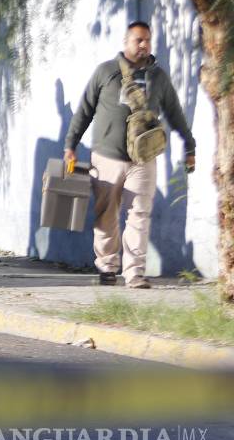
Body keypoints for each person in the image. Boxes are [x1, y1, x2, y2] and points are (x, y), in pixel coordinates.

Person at [63, 21, 196, 289]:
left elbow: (175, 112)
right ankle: (107, 267)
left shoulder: (158, 77)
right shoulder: (106, 72)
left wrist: (189, 145)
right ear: (126, 42)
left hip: (143, 159)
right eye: (139, 40)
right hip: (107, 157)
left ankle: (134, 273)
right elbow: (84, 110)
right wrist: (70, 144)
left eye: (148, 40)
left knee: (139, 214)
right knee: (106, 213)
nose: (144, 45)